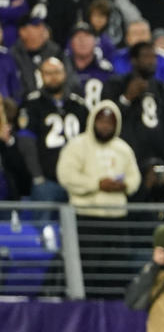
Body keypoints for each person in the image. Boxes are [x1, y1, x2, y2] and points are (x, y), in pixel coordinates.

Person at [56, 100, 141, 296]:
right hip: (86, 217)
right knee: (88, 269)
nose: (105, 126)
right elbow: (66, 175)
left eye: (110, 122)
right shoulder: (77, 146)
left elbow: (134, 178)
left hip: (117, 219)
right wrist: (97, 184)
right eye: (101, 121)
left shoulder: (123, 149)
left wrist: (124, 185)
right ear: (93, 121)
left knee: (117, 271)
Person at [17, 57, 88, 202]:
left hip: (78, 180)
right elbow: (26, 144)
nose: (53, 77)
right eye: (48, 73)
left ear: (65, 74)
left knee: (81, 223)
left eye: (57, 72)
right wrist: (37, 177)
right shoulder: (32, 104)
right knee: (43, 224)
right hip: (47, 181)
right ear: (41, 75)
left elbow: (90, 142)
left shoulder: (78, 105)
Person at [105, 41, 164, 164]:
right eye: (146, 56)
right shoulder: (116, 85)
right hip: (125, 159)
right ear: (134, 60)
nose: (151, 61)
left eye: (153, 57)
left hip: (158, 160)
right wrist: (126, 98)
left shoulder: (163, 90)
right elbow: (107, 120)